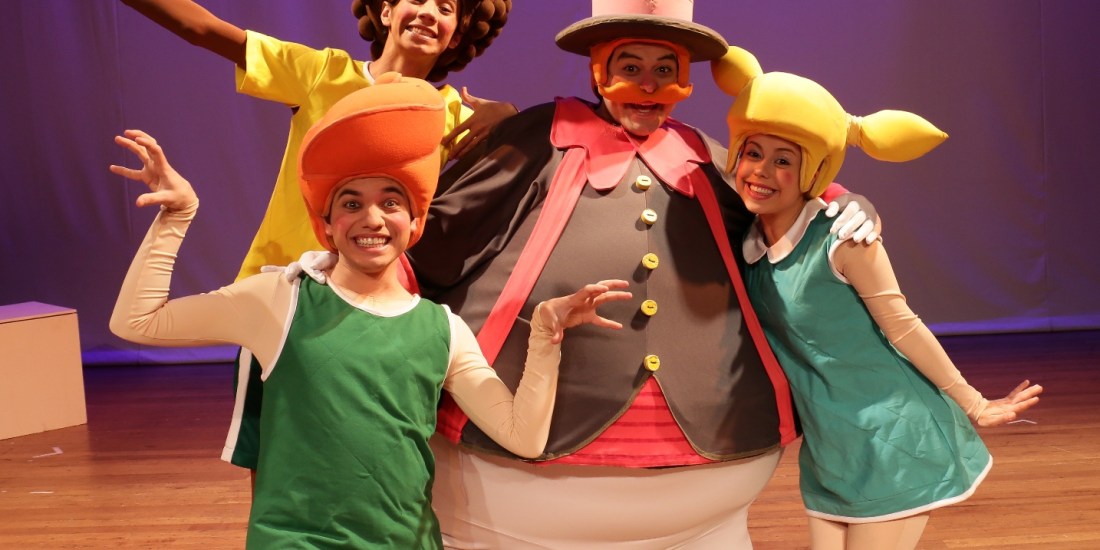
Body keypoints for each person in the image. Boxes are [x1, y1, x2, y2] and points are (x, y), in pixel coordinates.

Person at [334, 1, 876, 547]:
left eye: (664, 69)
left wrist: (839, 201)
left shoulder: (697, 154)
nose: (648, 84)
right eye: (630, 67)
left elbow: (773, 205)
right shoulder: (542, 134)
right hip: (527, 426)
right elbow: (446, 226)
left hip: (715, 426)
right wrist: (357, 257)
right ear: (599, 70)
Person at [108, 75, 631, 548]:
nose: (372, 218)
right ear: (327, 226)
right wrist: (177, 216)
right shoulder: (281, 299)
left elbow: (524, 436)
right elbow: (137, 322)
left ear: (415, 222)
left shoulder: (441, 329)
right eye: (351, 204)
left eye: (391, 202)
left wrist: (545, 333)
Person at [120, 0, 516, 473]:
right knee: (273, 458)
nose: (429, 11)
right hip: (284, 301)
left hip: (375, 311)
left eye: (446, 6)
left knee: (369, 456)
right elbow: (202, 28)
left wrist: (508, 118)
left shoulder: (454, 115)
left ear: (458, 32)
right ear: (385, 11)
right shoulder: (321, 73)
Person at [712, 46, 1043, 549]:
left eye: (784, 161)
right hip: (832, 448)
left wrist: (976, 404)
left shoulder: (843, 237)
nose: (761, 171)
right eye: (753, 153)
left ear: (813, 170)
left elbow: (903, 325)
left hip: (895, 439)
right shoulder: (748, 244)